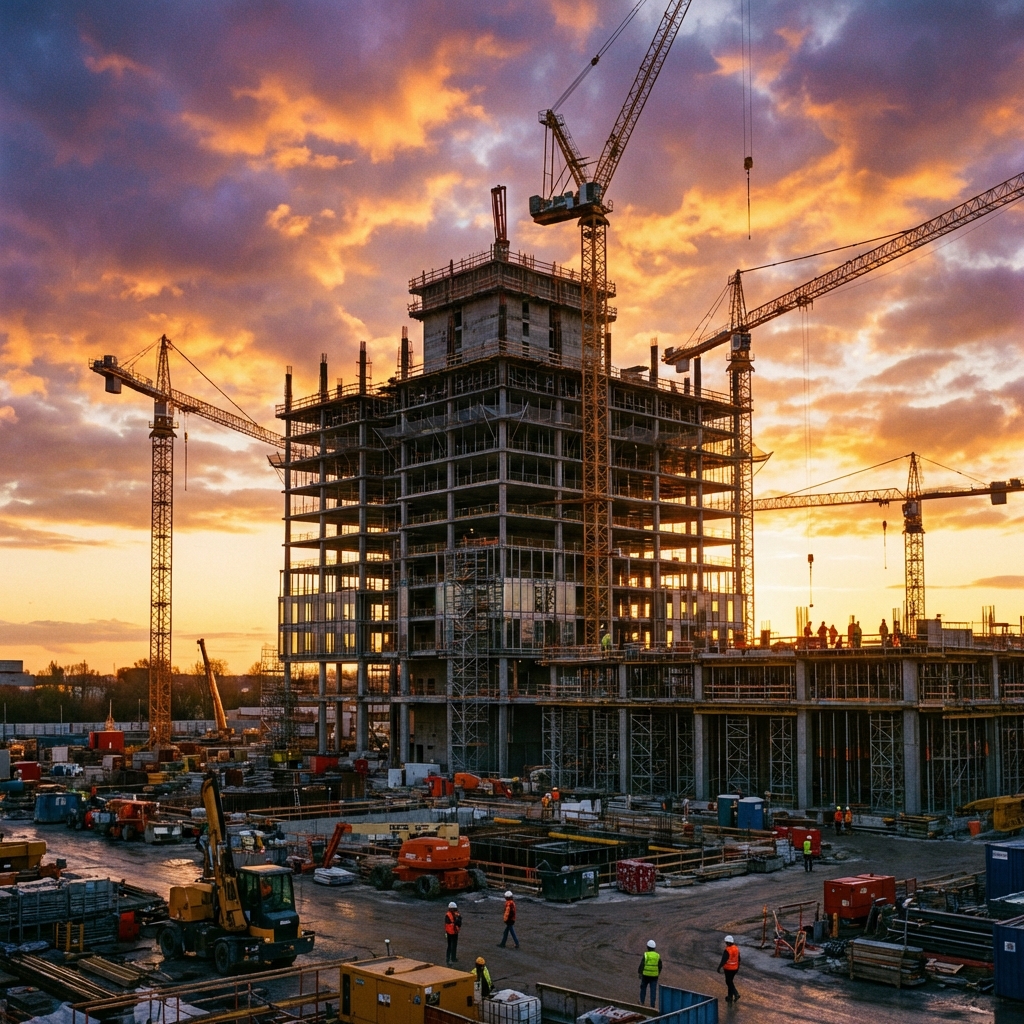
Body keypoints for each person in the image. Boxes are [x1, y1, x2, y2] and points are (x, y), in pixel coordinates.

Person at [638, 939, 662, 1008]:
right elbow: (660, 966)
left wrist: (640, 973)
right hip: (654, 976)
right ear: (654, 948)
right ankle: (652, 1005)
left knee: (643, 988)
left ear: (647, 947)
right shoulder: (657, 955)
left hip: (645, 975)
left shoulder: (646, 954)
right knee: (653, 990)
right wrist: (658, 973)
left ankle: (642, 1001)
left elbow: (642, 964)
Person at [718, 935, 741, 1004]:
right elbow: (739, 958)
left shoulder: (727, 950)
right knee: (730, 981)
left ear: (728, 942)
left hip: (728, 969)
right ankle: (730, 997)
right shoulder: (736, 948)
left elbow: (723, 960)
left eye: (726, 942)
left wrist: (719, 967)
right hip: (735, 968)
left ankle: (736, 994)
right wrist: (738, 966)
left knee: (728, 982)